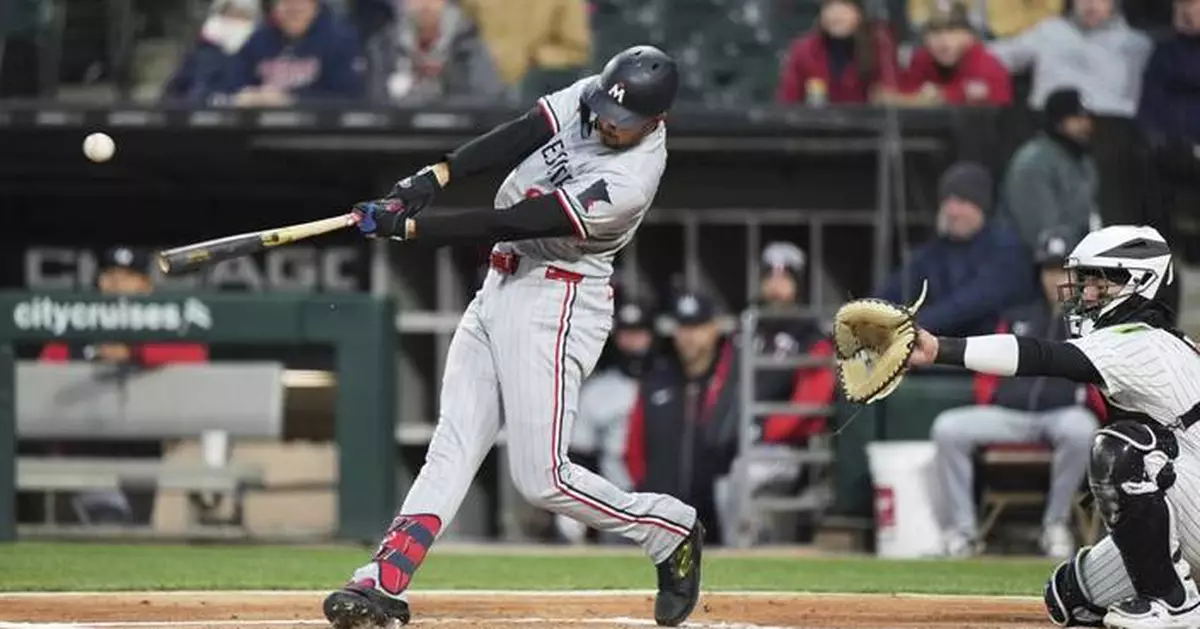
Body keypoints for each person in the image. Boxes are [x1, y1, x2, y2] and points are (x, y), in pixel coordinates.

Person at [321, 45, 703, 629]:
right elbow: (522, 132)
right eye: (604, 110)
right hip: (501, 285)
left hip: (557, 300)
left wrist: (412, 228)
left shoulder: (631, 178)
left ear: (657, 122)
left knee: (541, 479)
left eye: (621, 123)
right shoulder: (596, 96)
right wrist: (435, 175)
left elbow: (519, 220)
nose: (605, 123)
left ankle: (666, 527)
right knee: (453, 443)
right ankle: (383, 579)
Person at [906, 225, 1200, 628]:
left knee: (1119, 448)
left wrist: (940, 348)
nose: (1087, 294)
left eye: (1100, 282)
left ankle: (1174, 603)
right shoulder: (1146, 339)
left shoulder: (1139, 342)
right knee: (1069, 598)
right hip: (1187, 500)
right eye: (1085, 281)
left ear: (1139, 283)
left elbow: (1040, 356)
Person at [929, 226, 1103, 560]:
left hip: (1062, 415)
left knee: (1081, 429)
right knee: (948, 427)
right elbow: (988, 368)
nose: (1054, 278)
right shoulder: (1018, 315)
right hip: (1011, 415)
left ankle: (1054, 523)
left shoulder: (1090, 322)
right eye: (1049, 269)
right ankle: (963, 533)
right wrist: (989, 400)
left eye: (1062, 270)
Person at [30, 246, 209, 525]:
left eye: (127, 276)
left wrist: (134, 355)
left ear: (145, 285)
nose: (116, 283)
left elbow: (195, 356)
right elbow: (41, 376)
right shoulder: (77, 326)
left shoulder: (162, 328)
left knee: (132, 532)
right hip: (83, 448)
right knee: (109, 521)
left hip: (140, 448)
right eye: (109, 274)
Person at [623, 292, 738, 546]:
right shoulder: (656, 380)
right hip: (659, 520)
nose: (689, 336)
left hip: (713, 521)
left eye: (697, 327)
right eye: (683, 327)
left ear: (714, 329)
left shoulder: (730, 385)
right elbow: (633, 447)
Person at [877, 161, 1034, 337]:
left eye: (961, 201)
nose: (952, 211)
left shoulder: (1006, 249)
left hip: (990, 352)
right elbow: (893, 290)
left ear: (981, 206)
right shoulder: (934, 253)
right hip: (940, 351)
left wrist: (911, 326)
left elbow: (973, 303)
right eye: (947, 201)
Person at [554, 298, 658, 544]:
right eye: (626, 334)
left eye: (639, 333)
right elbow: (580, 458)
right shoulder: (597, 389)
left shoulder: (671, 383)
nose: (633, 341)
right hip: (616, 498)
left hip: (667, 492)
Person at [987, 0, 1152, 118]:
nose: (1091, 5)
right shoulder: (1051, 30)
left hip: (1109, 126)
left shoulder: (1137, 44)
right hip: (1047, 123)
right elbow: (1000, 57)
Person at [999, 88, 1101, 255]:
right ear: (1057, 122)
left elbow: (1089, 220)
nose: (1086, 125)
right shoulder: (1034, 162)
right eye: (1077, 118)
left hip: (1072, 258)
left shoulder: (1084, 162)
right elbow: (1041, 234)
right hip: (1027, 262)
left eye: (1088, 118)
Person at [226, 0, 367, 106]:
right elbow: (231, 85)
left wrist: (291, 99)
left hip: (319, 133)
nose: (293, 9)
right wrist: (246, 95)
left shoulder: (341, 39)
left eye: (300, 6)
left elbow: (350, 98)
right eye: (286, 4)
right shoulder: (259, 38)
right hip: (259, 129)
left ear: (315, 6)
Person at [367, 0, 505, 105]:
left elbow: (487, 99)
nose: (425, 5)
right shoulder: (383, 45)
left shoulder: (470, 44)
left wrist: (446, 80)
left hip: (456, 136)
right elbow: (376, 101)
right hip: (396, 135)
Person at [776, 0, 901, 105]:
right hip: (815, 127)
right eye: (830, 7)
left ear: (860, 13)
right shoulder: (803, 50)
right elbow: (788, 100)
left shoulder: (879, 46)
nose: (836, 16)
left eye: (844, 7)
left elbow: (890, 93)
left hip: (866, 126)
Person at [891, 2, 1012, 107]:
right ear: (924, 37)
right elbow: (901, 96)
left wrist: (940, 96)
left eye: (953, 32)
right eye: (936, 32)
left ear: (970, 36)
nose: (945, 43)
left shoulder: (987, 66)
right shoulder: (922, 60)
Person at [162, 0, 260, 104]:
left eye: (240, 15)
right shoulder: (201, 51)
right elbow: (175, 90)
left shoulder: (258, 52)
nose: (232, 21)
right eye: (228, 14)